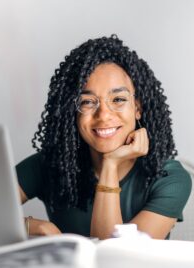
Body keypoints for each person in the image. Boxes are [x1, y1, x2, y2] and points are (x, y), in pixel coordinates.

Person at [16, 35, 192, 240]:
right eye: (88, 102)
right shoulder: (50, 165)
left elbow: (115, 259)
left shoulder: (169, 179)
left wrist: (110, 163)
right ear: (71, 111)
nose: (104, 115)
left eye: (118, 99)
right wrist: (32, 226)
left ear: (137, 108)